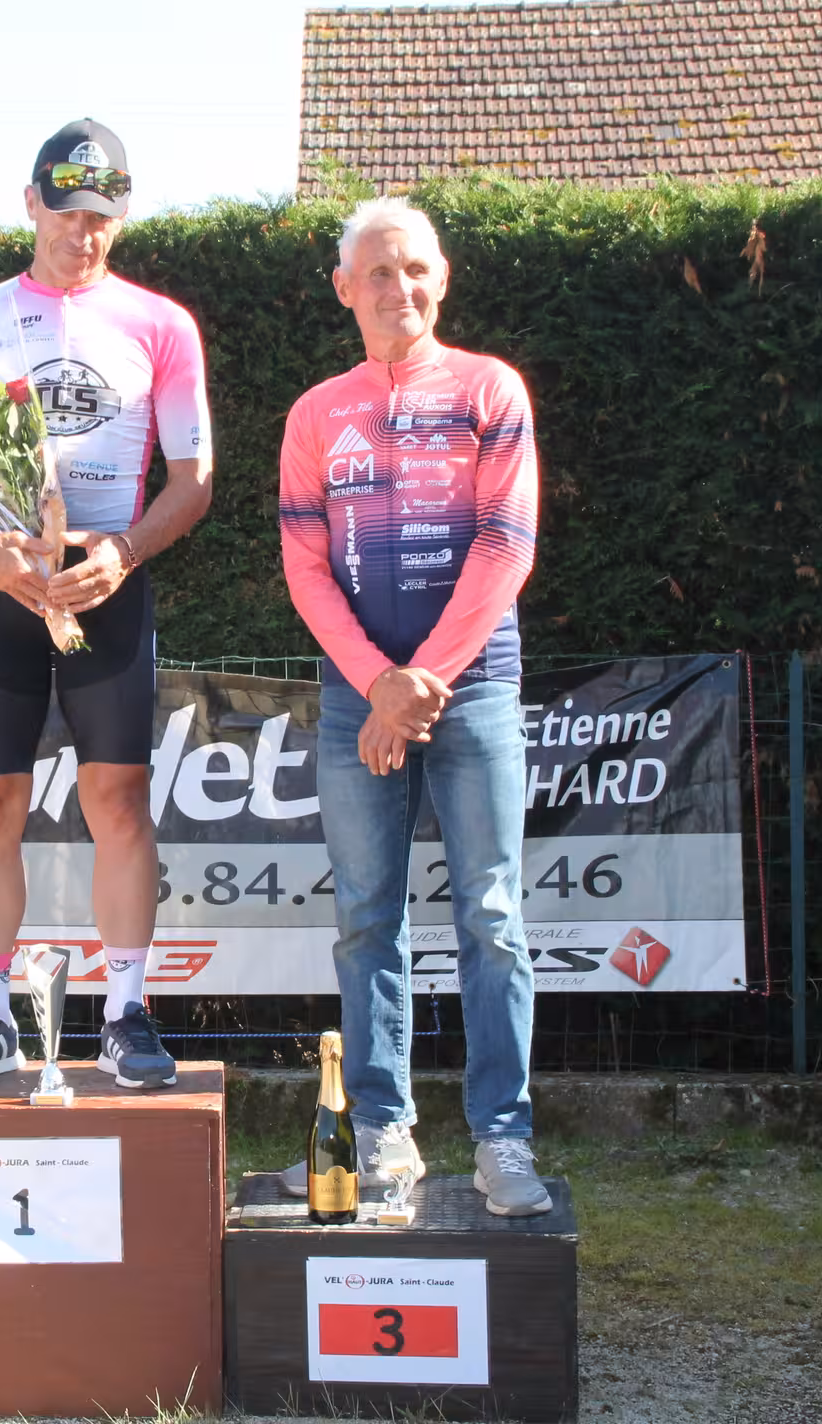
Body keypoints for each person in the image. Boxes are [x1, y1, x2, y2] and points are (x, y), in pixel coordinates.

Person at [0, 119, 212, 1089]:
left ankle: (126, 1011)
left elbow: (194, 480)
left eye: (99, 217)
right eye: (65, 211)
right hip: (0, 582)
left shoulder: (162, 324)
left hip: (105, 582)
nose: (80, 232)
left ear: (120, 220)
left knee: (118, 798)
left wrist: (123, 551)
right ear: (31, 205)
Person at [275, 197, 548, 1214]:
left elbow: (506, 543)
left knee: (492, 915)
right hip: (361, 699)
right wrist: (376, 684)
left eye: (418, 269)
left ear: (444, 278)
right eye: (380, 272)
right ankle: (382, 1127)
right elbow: (305, 563)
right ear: (345, 288)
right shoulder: (316, 412)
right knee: (365, 920)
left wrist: (421, 679)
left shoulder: (490, 388)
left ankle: (503, 1139)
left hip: (472, 688)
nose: (402, 288)